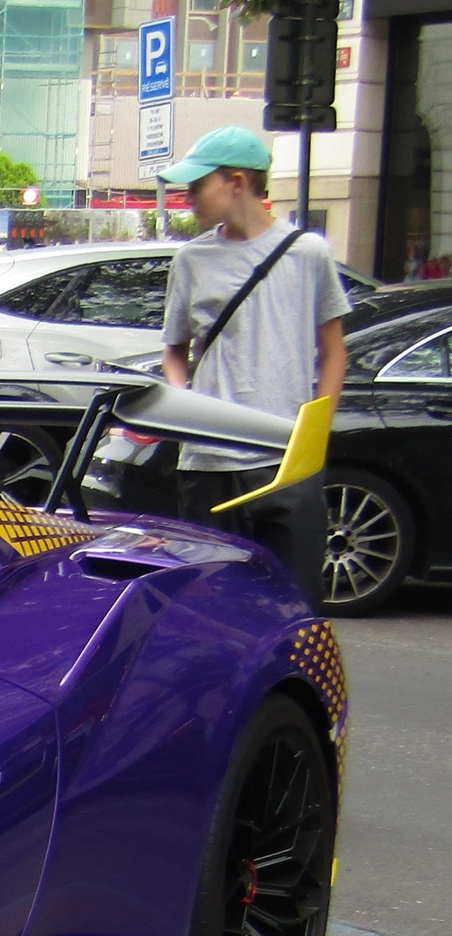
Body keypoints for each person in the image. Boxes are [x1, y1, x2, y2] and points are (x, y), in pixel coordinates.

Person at [159, 125, 347, 600]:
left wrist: (315, 433)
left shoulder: (309, 254)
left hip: (286, 462)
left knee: (292, 607)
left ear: (237, 182)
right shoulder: (191, 260)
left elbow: (334, 351)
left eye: (198, 187)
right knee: (212, 608)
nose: (188, 199)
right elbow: (173, 349)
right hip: (207, 462)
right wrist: (183, 403)